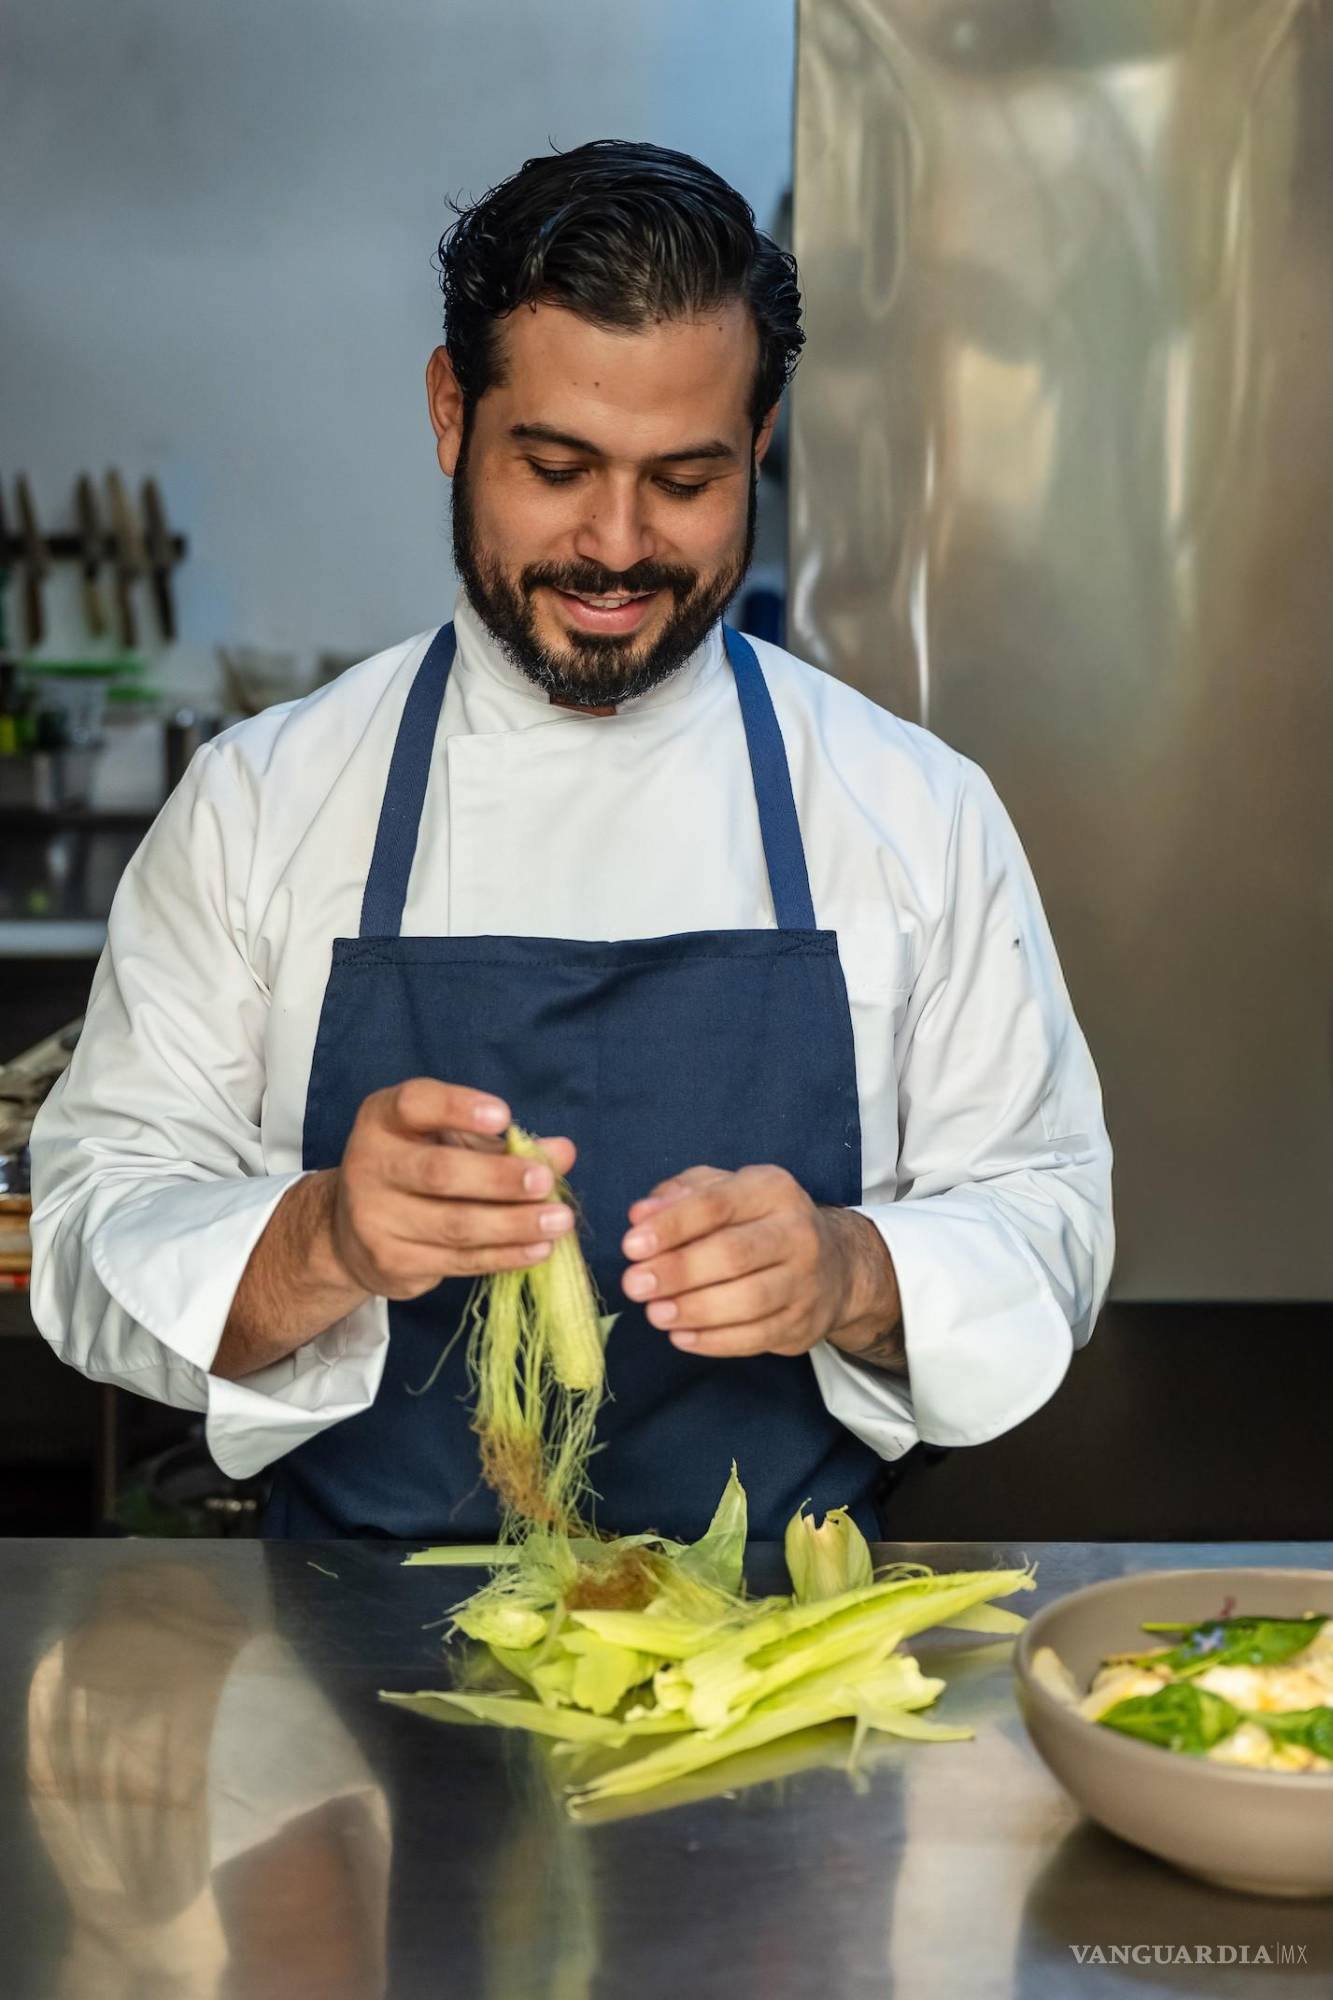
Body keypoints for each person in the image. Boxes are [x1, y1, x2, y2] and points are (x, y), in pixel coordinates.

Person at [29, 141, 1113, 1542]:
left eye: (684, 478)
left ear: (760, 445)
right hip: (350, 1680)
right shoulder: (265, 803)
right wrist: (327, 1239)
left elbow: (1050, 1225)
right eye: (555, 466)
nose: (614, 545)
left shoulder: (909, 809)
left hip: (771, 1661)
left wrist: (851, 1269)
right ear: (447, 412)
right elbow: (86, 1239)